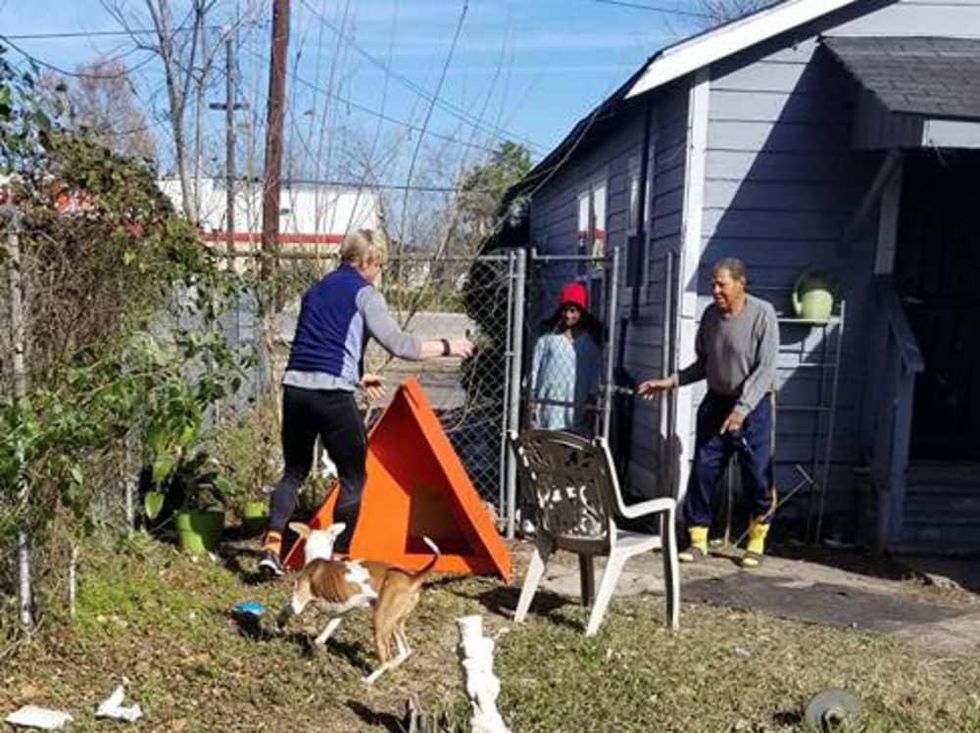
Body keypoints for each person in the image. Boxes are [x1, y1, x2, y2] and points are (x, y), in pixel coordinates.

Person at [258, 229, 474, 577]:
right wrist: (449, 346)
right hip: (333, 396)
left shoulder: (315, 289)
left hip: (296, 388)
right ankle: (341, 559)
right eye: (380, 265)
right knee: (353, 477)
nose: (379, 272)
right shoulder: (365, 294)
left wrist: (359, 376)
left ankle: (271, 546)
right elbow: (401, 345)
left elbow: (323, 342)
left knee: (294, 472)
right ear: (368, 261)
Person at [638, 258, 778, 569]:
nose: (715, 290)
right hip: (717, 402)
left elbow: (766, 368)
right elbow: (705, 363)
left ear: (740, 283)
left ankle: (757, 537)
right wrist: (671, 382)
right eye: (712, 284)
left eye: (721, 284)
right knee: (704, 469)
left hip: (754, 406)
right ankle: (698, 538)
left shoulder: (762, 314)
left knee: (757, 473)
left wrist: (742, 410)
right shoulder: (711, 316)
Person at [529, 281, 603, 437]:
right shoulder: (547, 339)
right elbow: (535, 369)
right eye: (565, 310)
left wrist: (592, 398)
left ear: (581, 312)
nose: (568, 315)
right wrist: (533, 397)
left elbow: (594, 374)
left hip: (577, 405)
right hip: (550, 403)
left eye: (573, 311)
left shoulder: (589, 344)